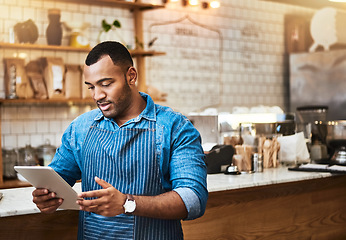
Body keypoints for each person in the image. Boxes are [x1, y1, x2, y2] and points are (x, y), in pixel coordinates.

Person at [32, 41, 208, 240]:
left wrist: (127, 203)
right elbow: (57, 180)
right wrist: (46, 197)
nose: (97, 96)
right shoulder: (80, 128)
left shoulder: (174, 127)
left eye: (106, 84)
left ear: (131, 76)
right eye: (91, 87)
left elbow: (194, 200)